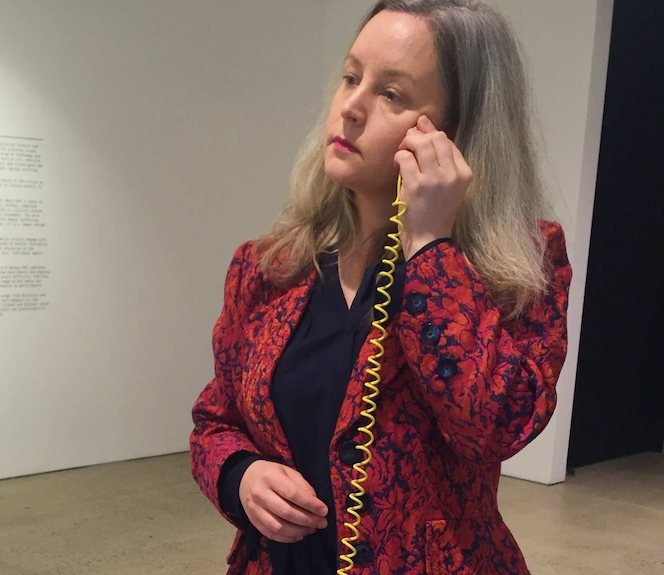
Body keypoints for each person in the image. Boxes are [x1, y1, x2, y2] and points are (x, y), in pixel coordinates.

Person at [190, 1, 572, 573]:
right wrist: (239, 476)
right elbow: (215, 421)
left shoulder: (520, 265)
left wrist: (430, 250)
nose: (351, 107)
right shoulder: (269, 267)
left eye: (391, 93)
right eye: (350, 77)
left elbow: (495, 427)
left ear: (457, 132)